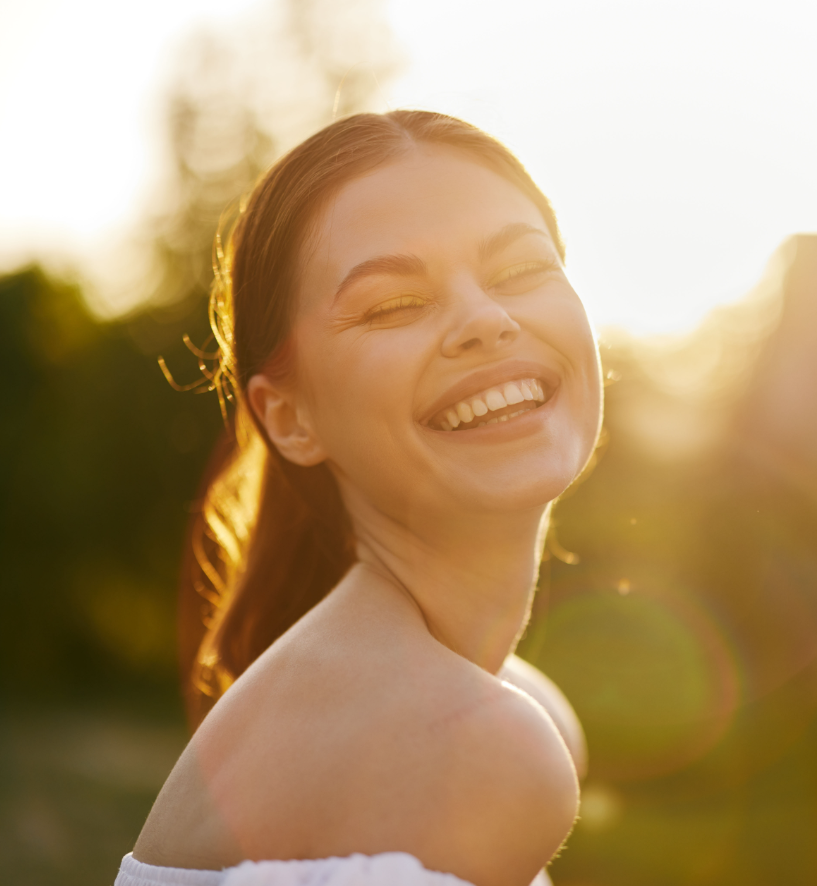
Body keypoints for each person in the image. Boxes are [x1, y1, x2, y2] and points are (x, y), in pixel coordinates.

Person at [116, 110, 603, 886]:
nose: (485, 320)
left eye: (519, 269)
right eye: (392, 305)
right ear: (291, 418)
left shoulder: (511, 703)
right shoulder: (486, 749)